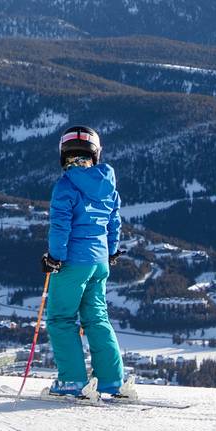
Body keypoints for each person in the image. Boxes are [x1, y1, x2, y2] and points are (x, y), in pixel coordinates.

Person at [41, 125, 137, 401]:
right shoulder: (108, 185)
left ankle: (72, 381)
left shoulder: (65, 186)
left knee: (61, 319)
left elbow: (61, 226)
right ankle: (111, 381)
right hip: (99, 262)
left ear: (64, 154)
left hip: (72, 262)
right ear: (95, 154)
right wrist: (112, 251)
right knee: (97, 318)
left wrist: (54, 258)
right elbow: (114, 222)